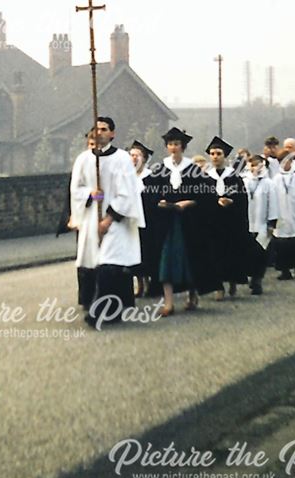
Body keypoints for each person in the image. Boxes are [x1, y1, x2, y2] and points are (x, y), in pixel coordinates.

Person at [69, 117, 145, 327]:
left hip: (116, 220)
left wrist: (109, 218)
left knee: (110, 263)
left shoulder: (121, 159)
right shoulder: (84, 159)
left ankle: (100, 311)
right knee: (93, 262)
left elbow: (127, 193)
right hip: (91, 217)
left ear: (112, 133)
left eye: (103, 129)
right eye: (96, 129)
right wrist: (91, 194)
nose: (98, 132)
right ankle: (100, 304)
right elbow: (76, 189)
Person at [145, 127, 211, 315]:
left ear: (183, 147)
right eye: (170, 144)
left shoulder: (192, 169)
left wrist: (189, 202)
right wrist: (160, 202)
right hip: (166, 222)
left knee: (188, 258)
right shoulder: (159, 170)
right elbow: (149, 195)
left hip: (189, 222)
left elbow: (207, 195)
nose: (173, 148)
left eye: (177, 144)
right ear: (166, 147)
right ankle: (168, 303)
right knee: (165, 259)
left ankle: (192, 295)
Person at [203, 136, 250, 298]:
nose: (215, 156)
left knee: (232, 252)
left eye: (218, 153)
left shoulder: (234, 177)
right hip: (213, 222)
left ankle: (232, 282)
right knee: (215, 253)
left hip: (231, 221)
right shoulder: (206, 178)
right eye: (212, 153)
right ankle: (218, 287)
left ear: (225, 156)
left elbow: (243, 199)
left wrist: (232, 201)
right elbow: (202, 200)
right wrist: (215, 201)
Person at [243, 154, 278, 294]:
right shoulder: (243, 181)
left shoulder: (269, 183)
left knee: (261, 253)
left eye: (258, 165)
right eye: (252, 165)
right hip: (246, 223)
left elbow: (273, 203)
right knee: (247, 253)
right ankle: (248, 276)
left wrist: (272, 223)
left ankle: (257, 280)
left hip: (261, 223)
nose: (255, 168)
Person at [129, 140, 156, 297]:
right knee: (135, 253)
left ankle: (149, 283)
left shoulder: (151, 178)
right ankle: (139, 283)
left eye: (137, 155)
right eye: (131, 155)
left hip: (148, 220)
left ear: (144, 159)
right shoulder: (127, 177)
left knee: (147, 252)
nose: (133, 159)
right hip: (133, 221)